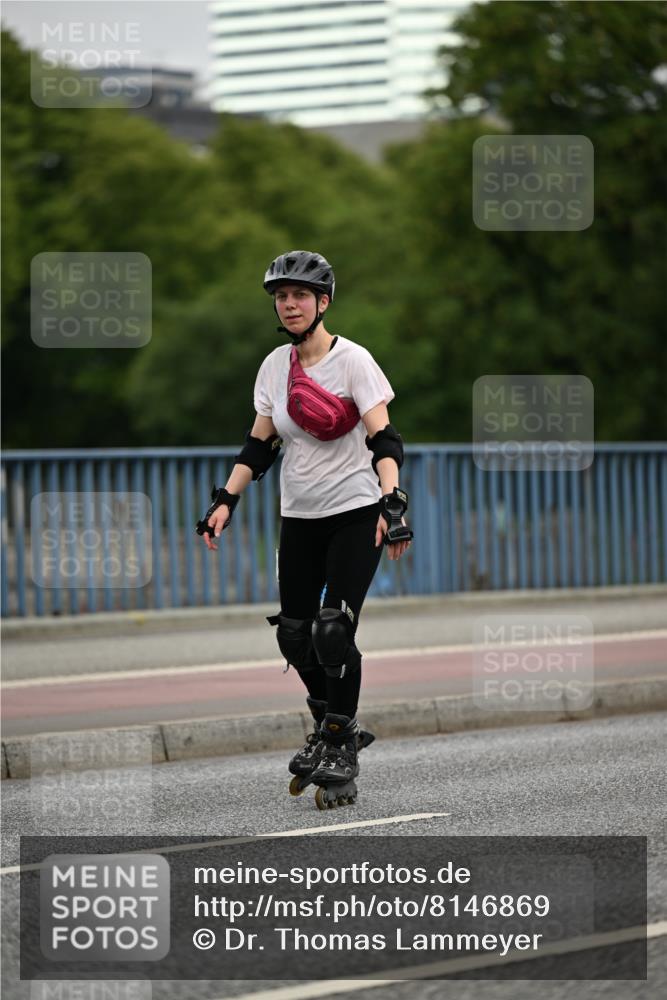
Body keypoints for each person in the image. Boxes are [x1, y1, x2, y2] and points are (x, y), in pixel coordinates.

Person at [197, 250, 413, 809]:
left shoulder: (354, 362)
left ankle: (340, 743)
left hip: (356, 512)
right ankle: (333, 725)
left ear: (323, 302)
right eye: (281, 296)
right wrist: (226, 499)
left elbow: (384, 439)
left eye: (299, 296)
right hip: (299, 516)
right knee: (292, 634)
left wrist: (392, 501)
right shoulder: (274, 366)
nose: (289, 304)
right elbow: (260, 443)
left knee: (331, 630)